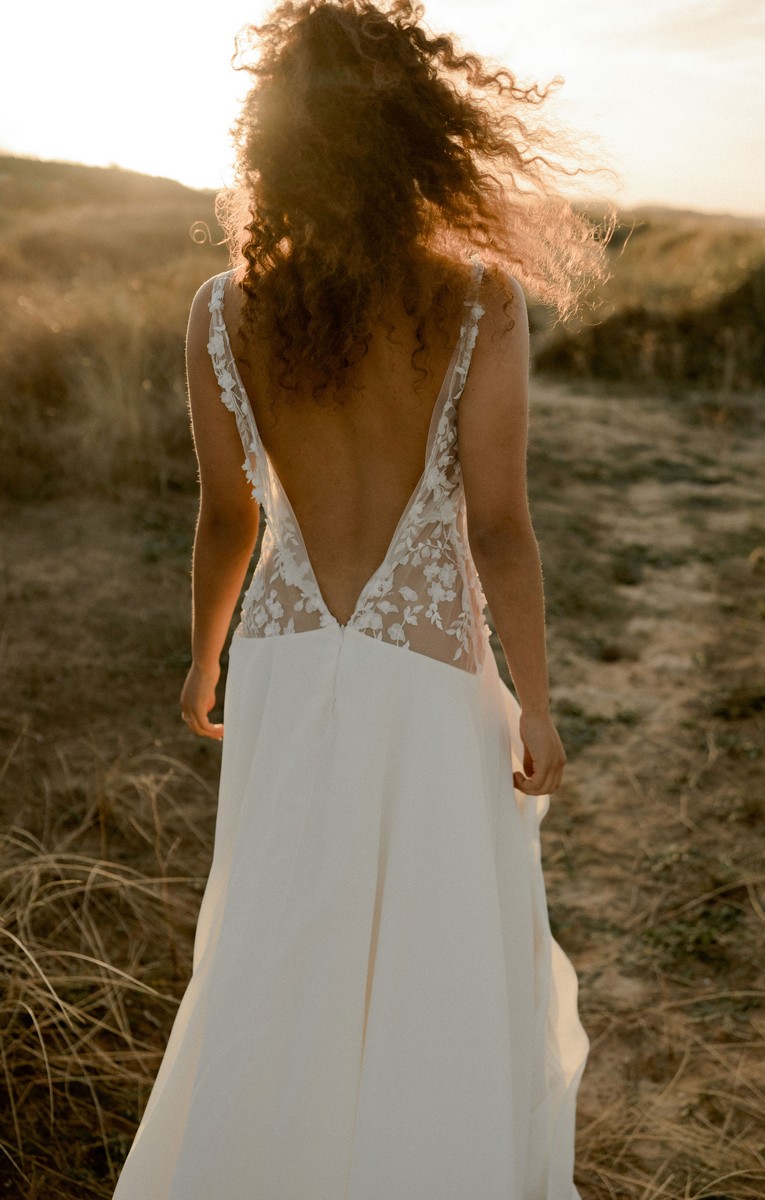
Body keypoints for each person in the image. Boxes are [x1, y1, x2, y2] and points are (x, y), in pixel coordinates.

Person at [112, 2, 613, 1196]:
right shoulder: (474, 300)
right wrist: (535, 706)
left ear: (268, 142)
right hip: (428, 668)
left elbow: (229, 512)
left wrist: (204, 655)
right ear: (416, 132)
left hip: (283, 656)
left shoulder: (221, 310)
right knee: (437, 960)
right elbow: (497, 526)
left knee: (279, 943)